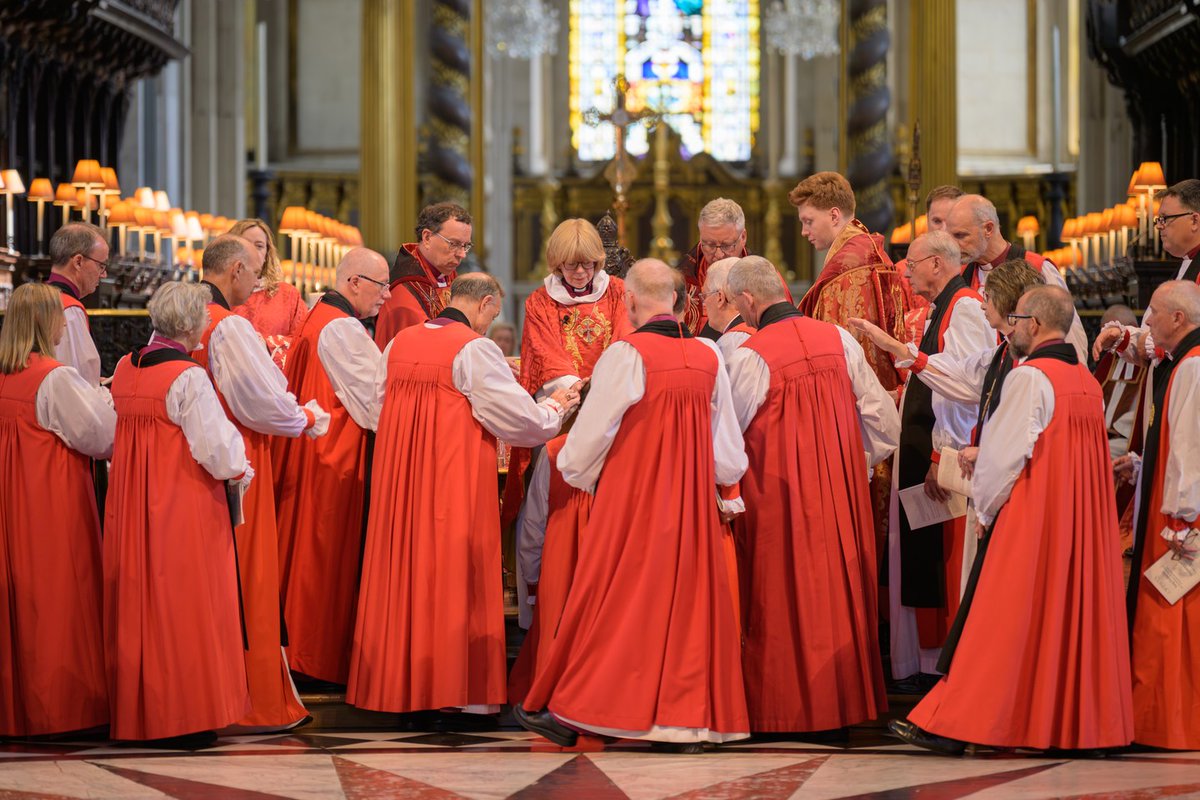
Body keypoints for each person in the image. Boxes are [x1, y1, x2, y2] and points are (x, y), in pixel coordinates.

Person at [515, 258, 750, 753]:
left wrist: (580, 475)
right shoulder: (708, 356)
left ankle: (588, 710)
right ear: (682, 302)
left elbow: (584, 446)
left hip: (632, 504)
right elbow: (728, 455)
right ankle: (685, 725)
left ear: (632, 302)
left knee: (612, 608)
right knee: (686, 612)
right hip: (691, 506)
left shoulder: (626, 354)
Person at [891, 286, 1134, 755]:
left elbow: (1003, 459)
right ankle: (1071, 726)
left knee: (993, 624)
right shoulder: (1083, 379)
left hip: (1029, 519)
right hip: (1074, 525)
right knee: (1059, 627)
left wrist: (985, 511)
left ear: (1035, 324)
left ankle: (960, 724)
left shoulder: (1029, 378)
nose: (1010, 327)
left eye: (1017, 318)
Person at [349, 274, 578, 721]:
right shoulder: (473, 349)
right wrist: (560, 404)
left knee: (404, 576)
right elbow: (521, 423)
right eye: (492, 315)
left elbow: (378, 408)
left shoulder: (399, 343)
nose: (491, 324)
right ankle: (453, 695)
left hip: (401, 484)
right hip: (451, 483)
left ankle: (399, 690)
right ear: (486, 302)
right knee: (454, 577)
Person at [725, 256, 900, 736]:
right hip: (841, 498)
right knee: (837, 596)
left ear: (746, 301)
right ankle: (843, 706)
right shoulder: (839, 339)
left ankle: (780, 712)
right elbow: (886, 425)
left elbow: (726, 439)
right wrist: (850, 465)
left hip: (775, 499)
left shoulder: (749, 357)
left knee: (781, 599)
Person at [191, 234, 330, 732]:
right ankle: (256, 701)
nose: (256, 281)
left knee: (215, 578)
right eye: (252, 271)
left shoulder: (189, 317)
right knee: (251, 575)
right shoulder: (230, 327)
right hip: (243, 456)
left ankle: (214, 693)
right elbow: (258, 400)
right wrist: (306, 418)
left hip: (198, 461)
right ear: (232, 270)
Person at [104, 282, 252, 747]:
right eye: (204, 319)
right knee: (187, 606)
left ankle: (141, 711)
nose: (209, 324)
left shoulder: (126, 367)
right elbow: (216, 449)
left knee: (141, 605)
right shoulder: (187, 376)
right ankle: (184, 715)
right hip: (181, 503)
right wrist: (240, 467)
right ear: (189, 325)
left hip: (131, 502)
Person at [851, 259, 1046, 593]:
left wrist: (955, 453)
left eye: (990, 298)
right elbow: (962, 376)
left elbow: (1023, 433)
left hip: (1012, 490)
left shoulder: (1031, 367)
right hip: (989, 480)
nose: (983, 303)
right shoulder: (1003, 352)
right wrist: (899, 350)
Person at [0, 283, 114, 738]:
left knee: (18, 601)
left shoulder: (5, 375)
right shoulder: (54, 377)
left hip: (11, 501)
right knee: (59, 599)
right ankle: (63, 711)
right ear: (48, 323)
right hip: (51, 502)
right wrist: (108, 397)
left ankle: (15, 710)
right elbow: (100, 435)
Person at [274, 248, 390, 685]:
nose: (386, 297)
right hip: (335, 455)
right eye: (381, 287)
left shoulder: (318, 315)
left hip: (316, 450)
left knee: (309, 551)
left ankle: (305, 654)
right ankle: (315, 660)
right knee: (323, 558)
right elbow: (377, 403)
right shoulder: (342, 327)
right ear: (354, 282)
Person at [886, 231, 992, 685]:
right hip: (929, 449)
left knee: (946, 563)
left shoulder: (964, 306)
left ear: (936, 263)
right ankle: (930, 666)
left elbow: (968, 388)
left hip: (946, 457)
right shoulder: (940, 306)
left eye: (911, 263)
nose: (905, 272)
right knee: (927, 559)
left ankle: (945, 669)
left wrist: (940, 452)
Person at [1122, 280, 1200, 750]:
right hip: (1176, 509)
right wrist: (1137, 464)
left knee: (1172, 617)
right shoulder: (1185, 364)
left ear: (1178, 318)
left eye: (1152, 313)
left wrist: (1182, 518)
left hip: (1179, 519)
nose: (1146, 322)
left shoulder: (1192, 367)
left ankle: (1168, 722)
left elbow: (1190, 450)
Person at [790, 171, 908, 389]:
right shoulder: (867, 249)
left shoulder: (848, 270)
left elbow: (838, 352)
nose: (804, 232)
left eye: (808, 221)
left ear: (834, 216)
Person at [946, 195, 1087, 360]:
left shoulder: (1037, 267)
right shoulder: (961, 274)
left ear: (988, 229)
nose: (953, 245)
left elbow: (1071, 337)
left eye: (960, 236)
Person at [1093, 179, 1200, 366]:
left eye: (1165, 219)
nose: (1159, 226)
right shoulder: (1184, 266)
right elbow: (1154, 340)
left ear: (1194, 220)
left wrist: (1148, 343)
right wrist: (1124, 338)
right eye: (1158, 220)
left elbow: (1189, 338)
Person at [373, 202, 472, 347]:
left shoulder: (449, 277)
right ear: (427, 238)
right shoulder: (404, 292)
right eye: (454, 244)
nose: (462, 254)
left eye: (466, 246)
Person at [230, 218, 308, 369]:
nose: (252, 251)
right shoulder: (224, 294)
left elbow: (303, 343)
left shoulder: (288, 295)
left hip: (277, 383)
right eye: (245, 244)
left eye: (259, 246)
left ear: (267, 253)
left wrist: (266, 345)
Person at [677, 198, 751, 336]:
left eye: (727, 245)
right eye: (710, 245)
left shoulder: (763, 278)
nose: (718, 254)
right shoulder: (682, 280)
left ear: (743, 237)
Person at [46, 222, 107, 386]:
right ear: (78, 262)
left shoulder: (33, 298)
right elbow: (77, 382)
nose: (104, 274)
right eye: (101, 265)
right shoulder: (69, 310)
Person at [701, 256, 756, 362]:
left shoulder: (730, 342)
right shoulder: (761, 326)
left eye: (704, 296)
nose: (703, 304)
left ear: (720, 298)